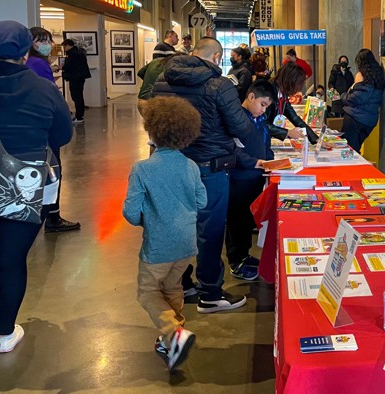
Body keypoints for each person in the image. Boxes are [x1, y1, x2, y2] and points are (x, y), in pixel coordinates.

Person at [0, 20, 73, 377]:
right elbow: (62, 134)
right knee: (9, 261)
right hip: (22, 185)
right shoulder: (42, 89)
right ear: (27, 52)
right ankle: (7, 333)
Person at [152, 36, 263, 313]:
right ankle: (210, 293)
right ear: (216, 58)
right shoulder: (219, 85)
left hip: (172, 165)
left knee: (180, 228)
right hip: (209, 168)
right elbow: (241, 127)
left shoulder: (162, 81)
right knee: (209, 230)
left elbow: (153, 123)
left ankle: (183, 283)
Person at [123, 96, 205, 371]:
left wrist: (144, 220)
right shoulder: (191, 166)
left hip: (158, 245)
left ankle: (174, 332)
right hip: (186, 243)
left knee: (147, 291)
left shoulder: (143, 169)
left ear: (152, 131)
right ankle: (169, 340)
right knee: (173, 288)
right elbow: (202, 201)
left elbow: (130, 212)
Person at [29, 27, 81, 232]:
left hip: (31, 129)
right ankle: (52, 216)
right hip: (45, 128)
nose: (46, 44)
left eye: (48, 40)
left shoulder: (26, 63)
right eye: (40, 40)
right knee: (52, 171)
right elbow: (51, 96)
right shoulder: (38, 64)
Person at [226, 81, 276, 280]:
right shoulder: (236, 119)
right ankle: (235, 261)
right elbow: (232, 150)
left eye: (267, 107)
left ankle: (244, 255)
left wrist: (272, 160)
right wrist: (256, 162)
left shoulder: (260, 119)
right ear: (251, 96)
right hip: (239, 178)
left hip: (255, 177)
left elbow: (266, 143)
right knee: (237, 220)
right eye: (262, 104)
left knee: (248, 220)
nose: (263, 110)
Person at [342, 48, 385, 153]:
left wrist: (343, 95)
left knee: (348, 151)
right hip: (369, 120)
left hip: (355, 118)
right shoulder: (378, 76)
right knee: (355, 149)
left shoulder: (363, 77)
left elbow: (355, 98)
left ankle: (352, 169)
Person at [266, 62, 319, 144]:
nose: (299, 89)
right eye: (299, 84)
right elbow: (261, 123)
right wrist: (287, 132)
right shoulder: (268, 92)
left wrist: (316, 139)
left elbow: (294, 118)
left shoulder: (282, 94)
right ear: (290, 81)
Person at [61, 38, 91, 124]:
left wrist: (62, 67)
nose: (64, 49)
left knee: (76, 97)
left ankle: (79, 116)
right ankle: (79, 114)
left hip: (75, 78)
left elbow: (70, 67)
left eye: (64, 47)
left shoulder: (73, 54)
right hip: (79, 78)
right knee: (78, 96)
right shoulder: (78, 52)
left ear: (68, 45)